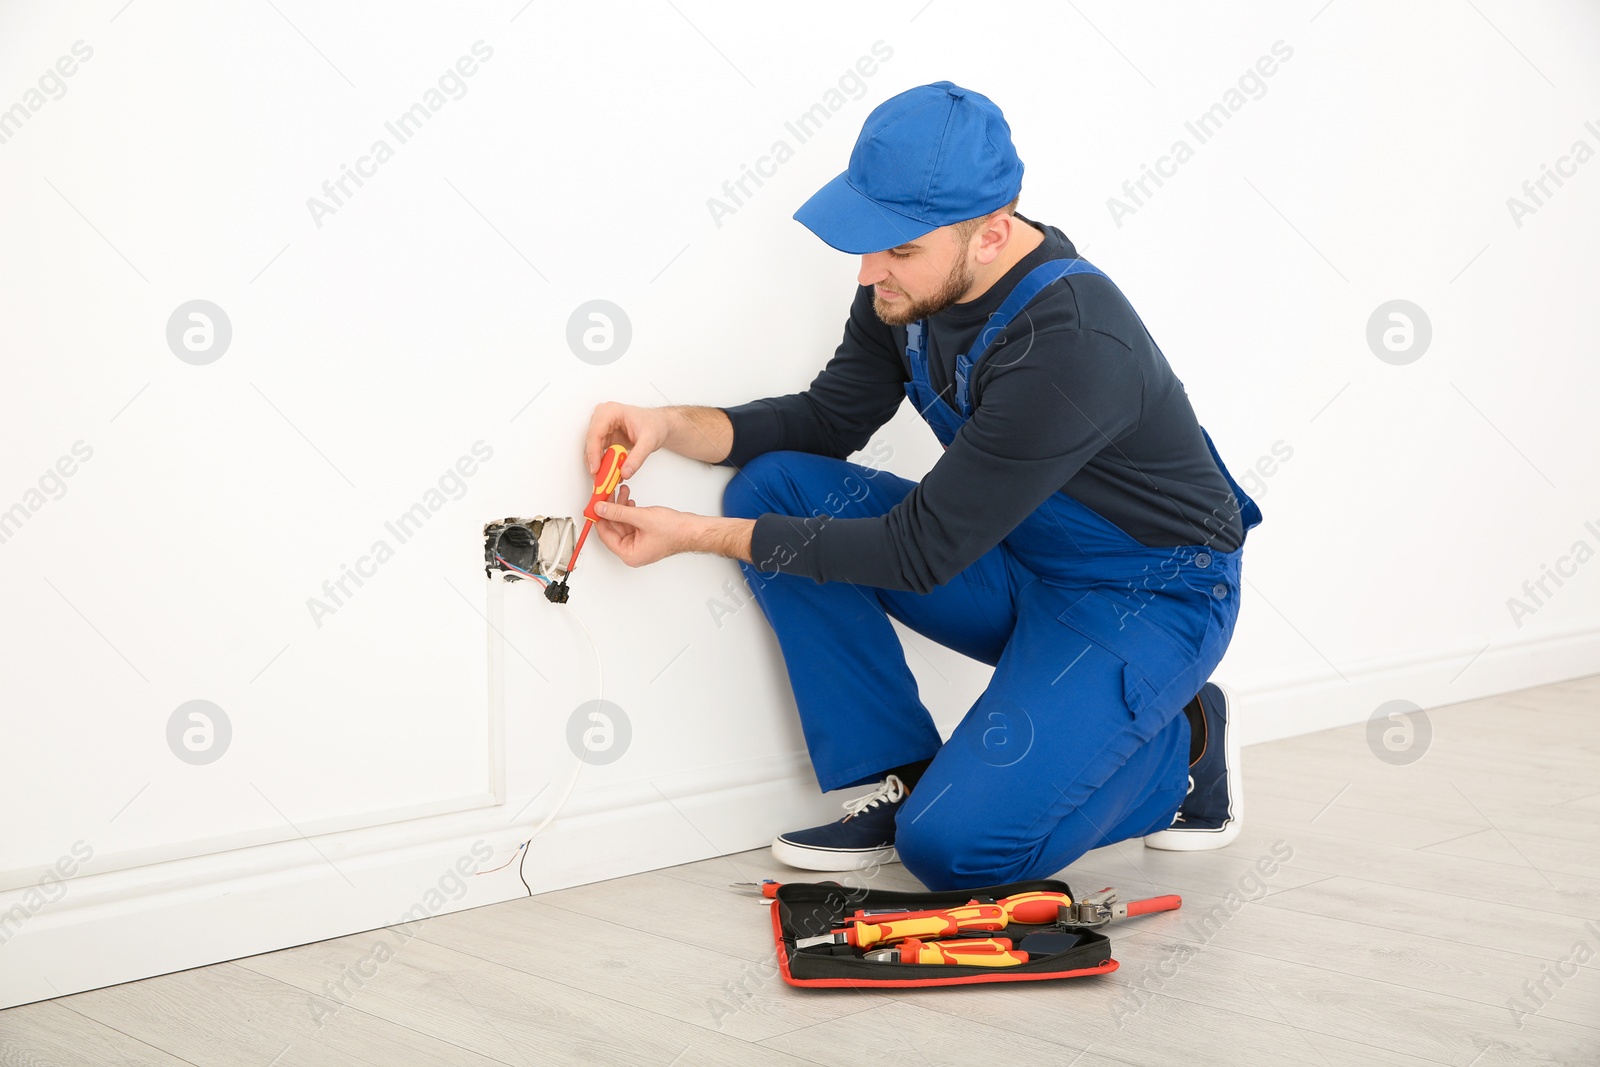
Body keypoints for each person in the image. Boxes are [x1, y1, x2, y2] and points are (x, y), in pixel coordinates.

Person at [583, 80, 1262, 892]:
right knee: (776, 489)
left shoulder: (1073, 339)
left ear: (992, 234)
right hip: (1016, 558)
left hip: (1146, 600)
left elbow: (919, 550)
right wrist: (667, 424)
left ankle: (1180, 744)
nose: (872, 272)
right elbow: (827, 420)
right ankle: (903, 770)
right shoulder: (904, 288)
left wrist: (691, 534)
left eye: (900, 248)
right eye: (871, 241)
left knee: (953, 851)